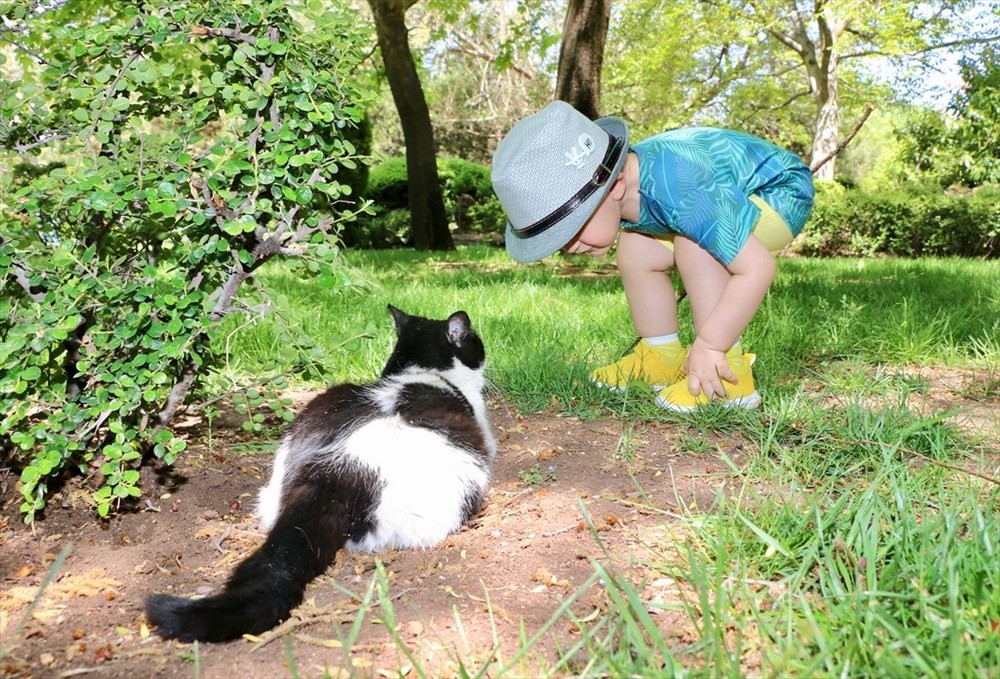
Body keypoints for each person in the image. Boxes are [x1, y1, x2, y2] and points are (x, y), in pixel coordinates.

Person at [490, 100, 815, 411]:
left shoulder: (683, 190)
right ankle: (660, 357)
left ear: (614, 187)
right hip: (711, 199)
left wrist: (710, 344)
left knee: (695, 244)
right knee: (636, 246)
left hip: (777, 194)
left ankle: (726, 375)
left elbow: (757, 268)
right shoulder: (634, 189)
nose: (567, 247)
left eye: (569, 227)